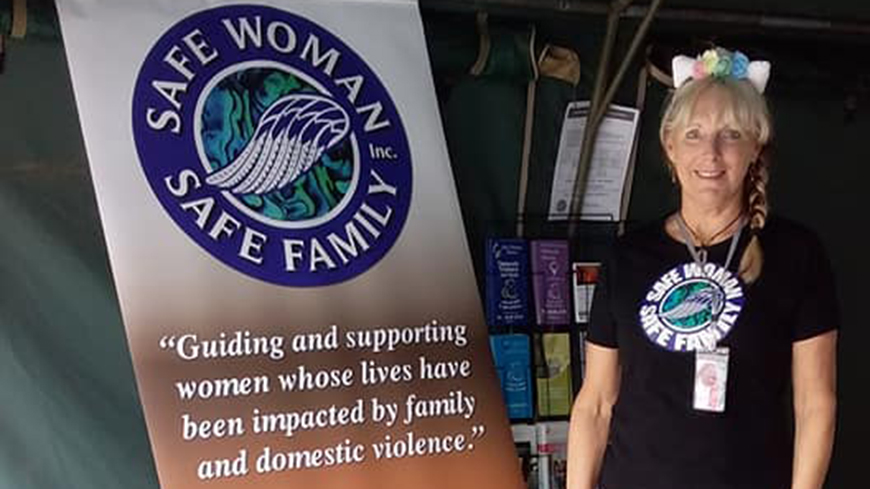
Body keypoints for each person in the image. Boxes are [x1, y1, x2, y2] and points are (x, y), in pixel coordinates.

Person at [567, 47, 839, 489]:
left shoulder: (795, 254)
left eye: (730, 134)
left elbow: (815, 403)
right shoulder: (628, 257)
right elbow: (595, 404)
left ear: (756, 147)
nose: (710, 153)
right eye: (693, 134)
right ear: (670, 148)